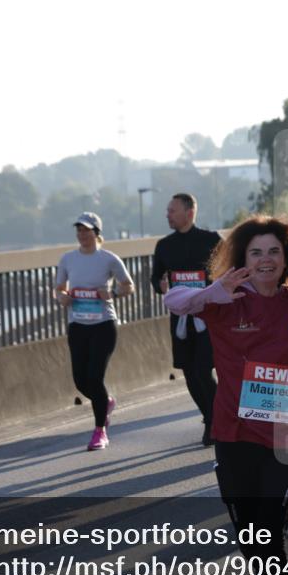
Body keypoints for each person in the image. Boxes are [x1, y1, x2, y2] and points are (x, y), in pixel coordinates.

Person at [165, 216, 288, 575]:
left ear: (286, 257)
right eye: (255, 253)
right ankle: (264, 574)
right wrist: (213, 292)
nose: (265, 260)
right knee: (250, 535)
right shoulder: (225, 301)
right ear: (241, 260)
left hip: (285, 436)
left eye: (273, 252)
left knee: (271, 535)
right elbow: (175, 300)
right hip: (233, 433)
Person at [54, 212, 135, 450]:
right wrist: (63, 298)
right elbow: (58, 289)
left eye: (87, 231)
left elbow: (128, 286)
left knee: (95, 377)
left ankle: (100, 431)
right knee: (80, 380)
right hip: (77, 325)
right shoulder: (68, 259)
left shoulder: (108, 259)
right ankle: (105, 401)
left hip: (103, 325)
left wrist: (113, 294)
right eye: (79, 231)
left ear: (97, 234)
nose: (82, 235)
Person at [152, 193, 223, 447]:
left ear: (189, 212)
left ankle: (216, 421)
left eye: (172, 210)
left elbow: (228, 269)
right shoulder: (164, 245)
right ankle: (209, 417)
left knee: (204, 370)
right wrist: (160, 285)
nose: (167, 215)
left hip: (208, 319)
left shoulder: (211, 240)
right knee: (189, 372)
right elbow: (156, 279)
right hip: (180, 319)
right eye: (168, 210)